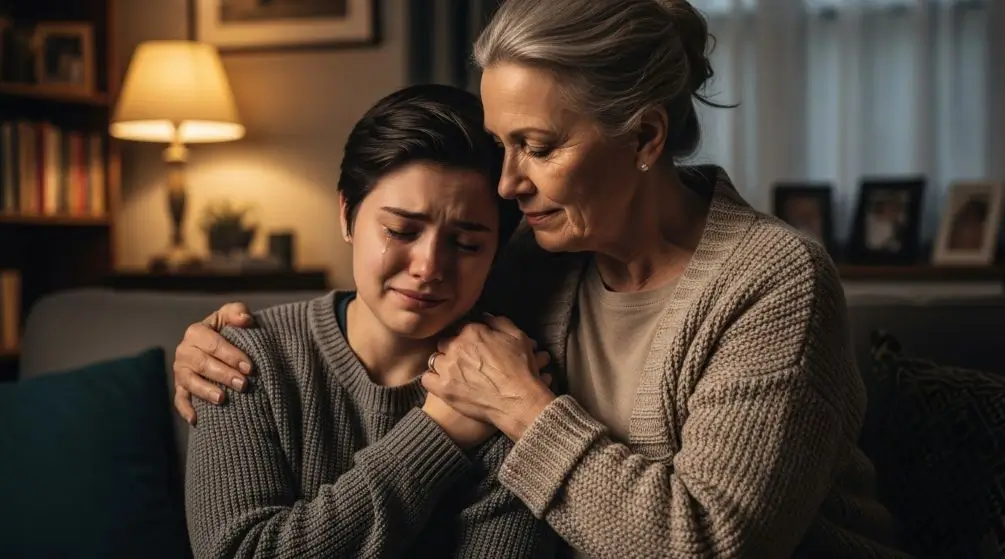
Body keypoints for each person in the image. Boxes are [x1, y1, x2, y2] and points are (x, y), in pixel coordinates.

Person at [173, 0, 913, 557]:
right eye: (501, 144)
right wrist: (209, 347)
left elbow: (708, 545)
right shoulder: (528, 259)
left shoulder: (773, 282)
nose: (505, 183)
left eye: (536, 146)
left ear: (646, 137)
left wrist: (526, 409)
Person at [182, 83, 557, 558]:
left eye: (466, 244)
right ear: (347, 215)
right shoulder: (241, 358)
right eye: (401, 230)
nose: (428, 267)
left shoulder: (510, 387)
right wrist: (437, 433)